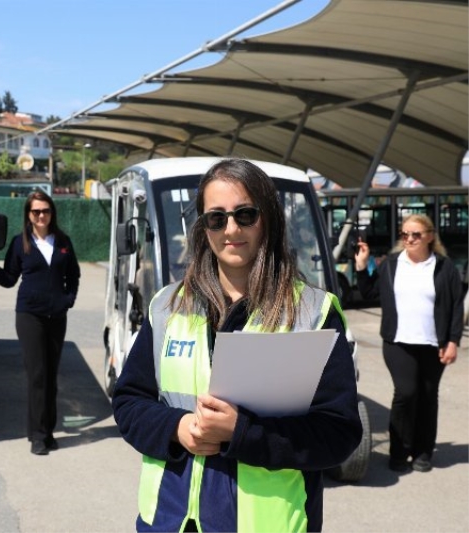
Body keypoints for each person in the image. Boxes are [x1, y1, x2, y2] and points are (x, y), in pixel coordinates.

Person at [112, 158, 362, 533]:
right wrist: (178, 428)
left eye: (245, 214)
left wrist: (242, 434)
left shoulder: (313, 312)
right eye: (217, 218)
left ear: (269, 219)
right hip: (169, 521)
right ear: (203, 227)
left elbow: (338, 434)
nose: (231, 229)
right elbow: (129, 402)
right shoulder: (166, 306)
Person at [355, 213, 462, 473]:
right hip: (398, 342)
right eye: (405, 234)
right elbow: (368, 293)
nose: (410, 239)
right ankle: (399, 452)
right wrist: (361, 266)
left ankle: (423, 452)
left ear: (429, 236)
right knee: (405, 394)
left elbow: (456, 305)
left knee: (428, 396)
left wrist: (453, 341)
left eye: (416, 234)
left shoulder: (443, 266)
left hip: (432, 343)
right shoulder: (391, 264)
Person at [0, 191, 80, 456]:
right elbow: (9, 278)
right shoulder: (19, 242)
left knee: (51, 376)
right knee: (37, 375)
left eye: (45, 210)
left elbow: (74, 275)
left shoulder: (63, 241)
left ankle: (48, 431)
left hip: (57, 317)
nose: (41, 216)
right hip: (29, 316)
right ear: (28, 214)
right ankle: (37, 436)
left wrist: (67, 300)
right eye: (36, 212)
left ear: (51, 212)